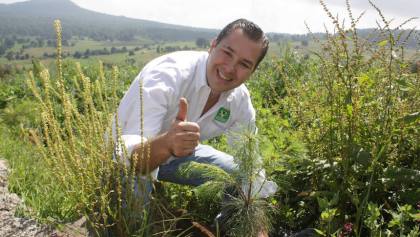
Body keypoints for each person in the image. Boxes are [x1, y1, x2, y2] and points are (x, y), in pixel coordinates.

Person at [113, 18, 273, 236]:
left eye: (244, 64)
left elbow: (251, 164)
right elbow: (132, 159)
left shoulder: (239, 100)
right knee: (136, 226)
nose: (229, 68)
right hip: (128, 157)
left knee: (241, 176)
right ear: (213, 45)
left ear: (252, 71)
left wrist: (257, 223)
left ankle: (230, 230)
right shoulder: (167, 76)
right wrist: (168, 143)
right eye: (227, 52)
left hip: (179, 154)